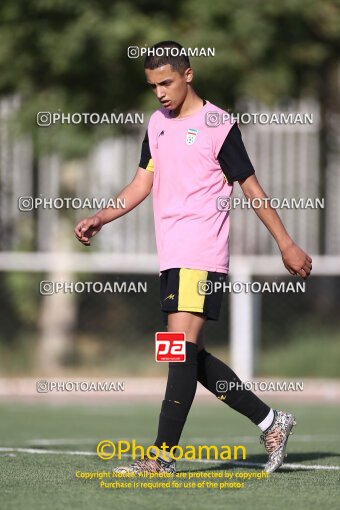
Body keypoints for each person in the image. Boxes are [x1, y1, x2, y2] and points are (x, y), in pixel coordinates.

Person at [74, 40, 312, 474]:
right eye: (152, 86)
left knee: (176, 349)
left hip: (200, 253)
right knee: (186, 355)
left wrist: (286, 243)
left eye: (166, 82)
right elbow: (140, 183)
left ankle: (162, 457)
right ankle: (271, 420)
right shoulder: (157, 125)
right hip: (172, 256)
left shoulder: (218, 124)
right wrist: (102, 216)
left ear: (188, 74)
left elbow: (251, 189)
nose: (161, 92)